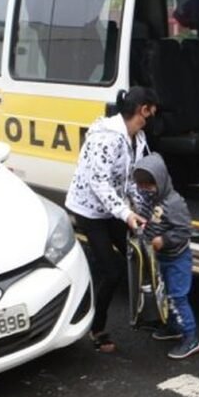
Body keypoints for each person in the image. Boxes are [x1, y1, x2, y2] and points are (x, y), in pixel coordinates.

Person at [66, 86, 159, 353]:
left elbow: (131, 180)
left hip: (113, 208)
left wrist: (145, 210)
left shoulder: (136, 137)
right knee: (111, 270)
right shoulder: (105, 138)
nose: (151, 121)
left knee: (139, 252)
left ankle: (147, 314)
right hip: (89, 210)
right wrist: (127, 214)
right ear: (142, 110)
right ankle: (97, 328)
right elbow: (100, 183)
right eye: (151, 114)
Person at [132, 154, 199, 360]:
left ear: (160, 181)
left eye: (149, 185)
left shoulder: (174, 203)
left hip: (177, 258)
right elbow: (149, 219)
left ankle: (191, 337)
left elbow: (184, 230)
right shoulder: (151, 199)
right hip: (160, 258)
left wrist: (163, 240)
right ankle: (173, 326)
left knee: (177, 296)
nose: (145, 189)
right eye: (141, 185)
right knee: (164, 294)